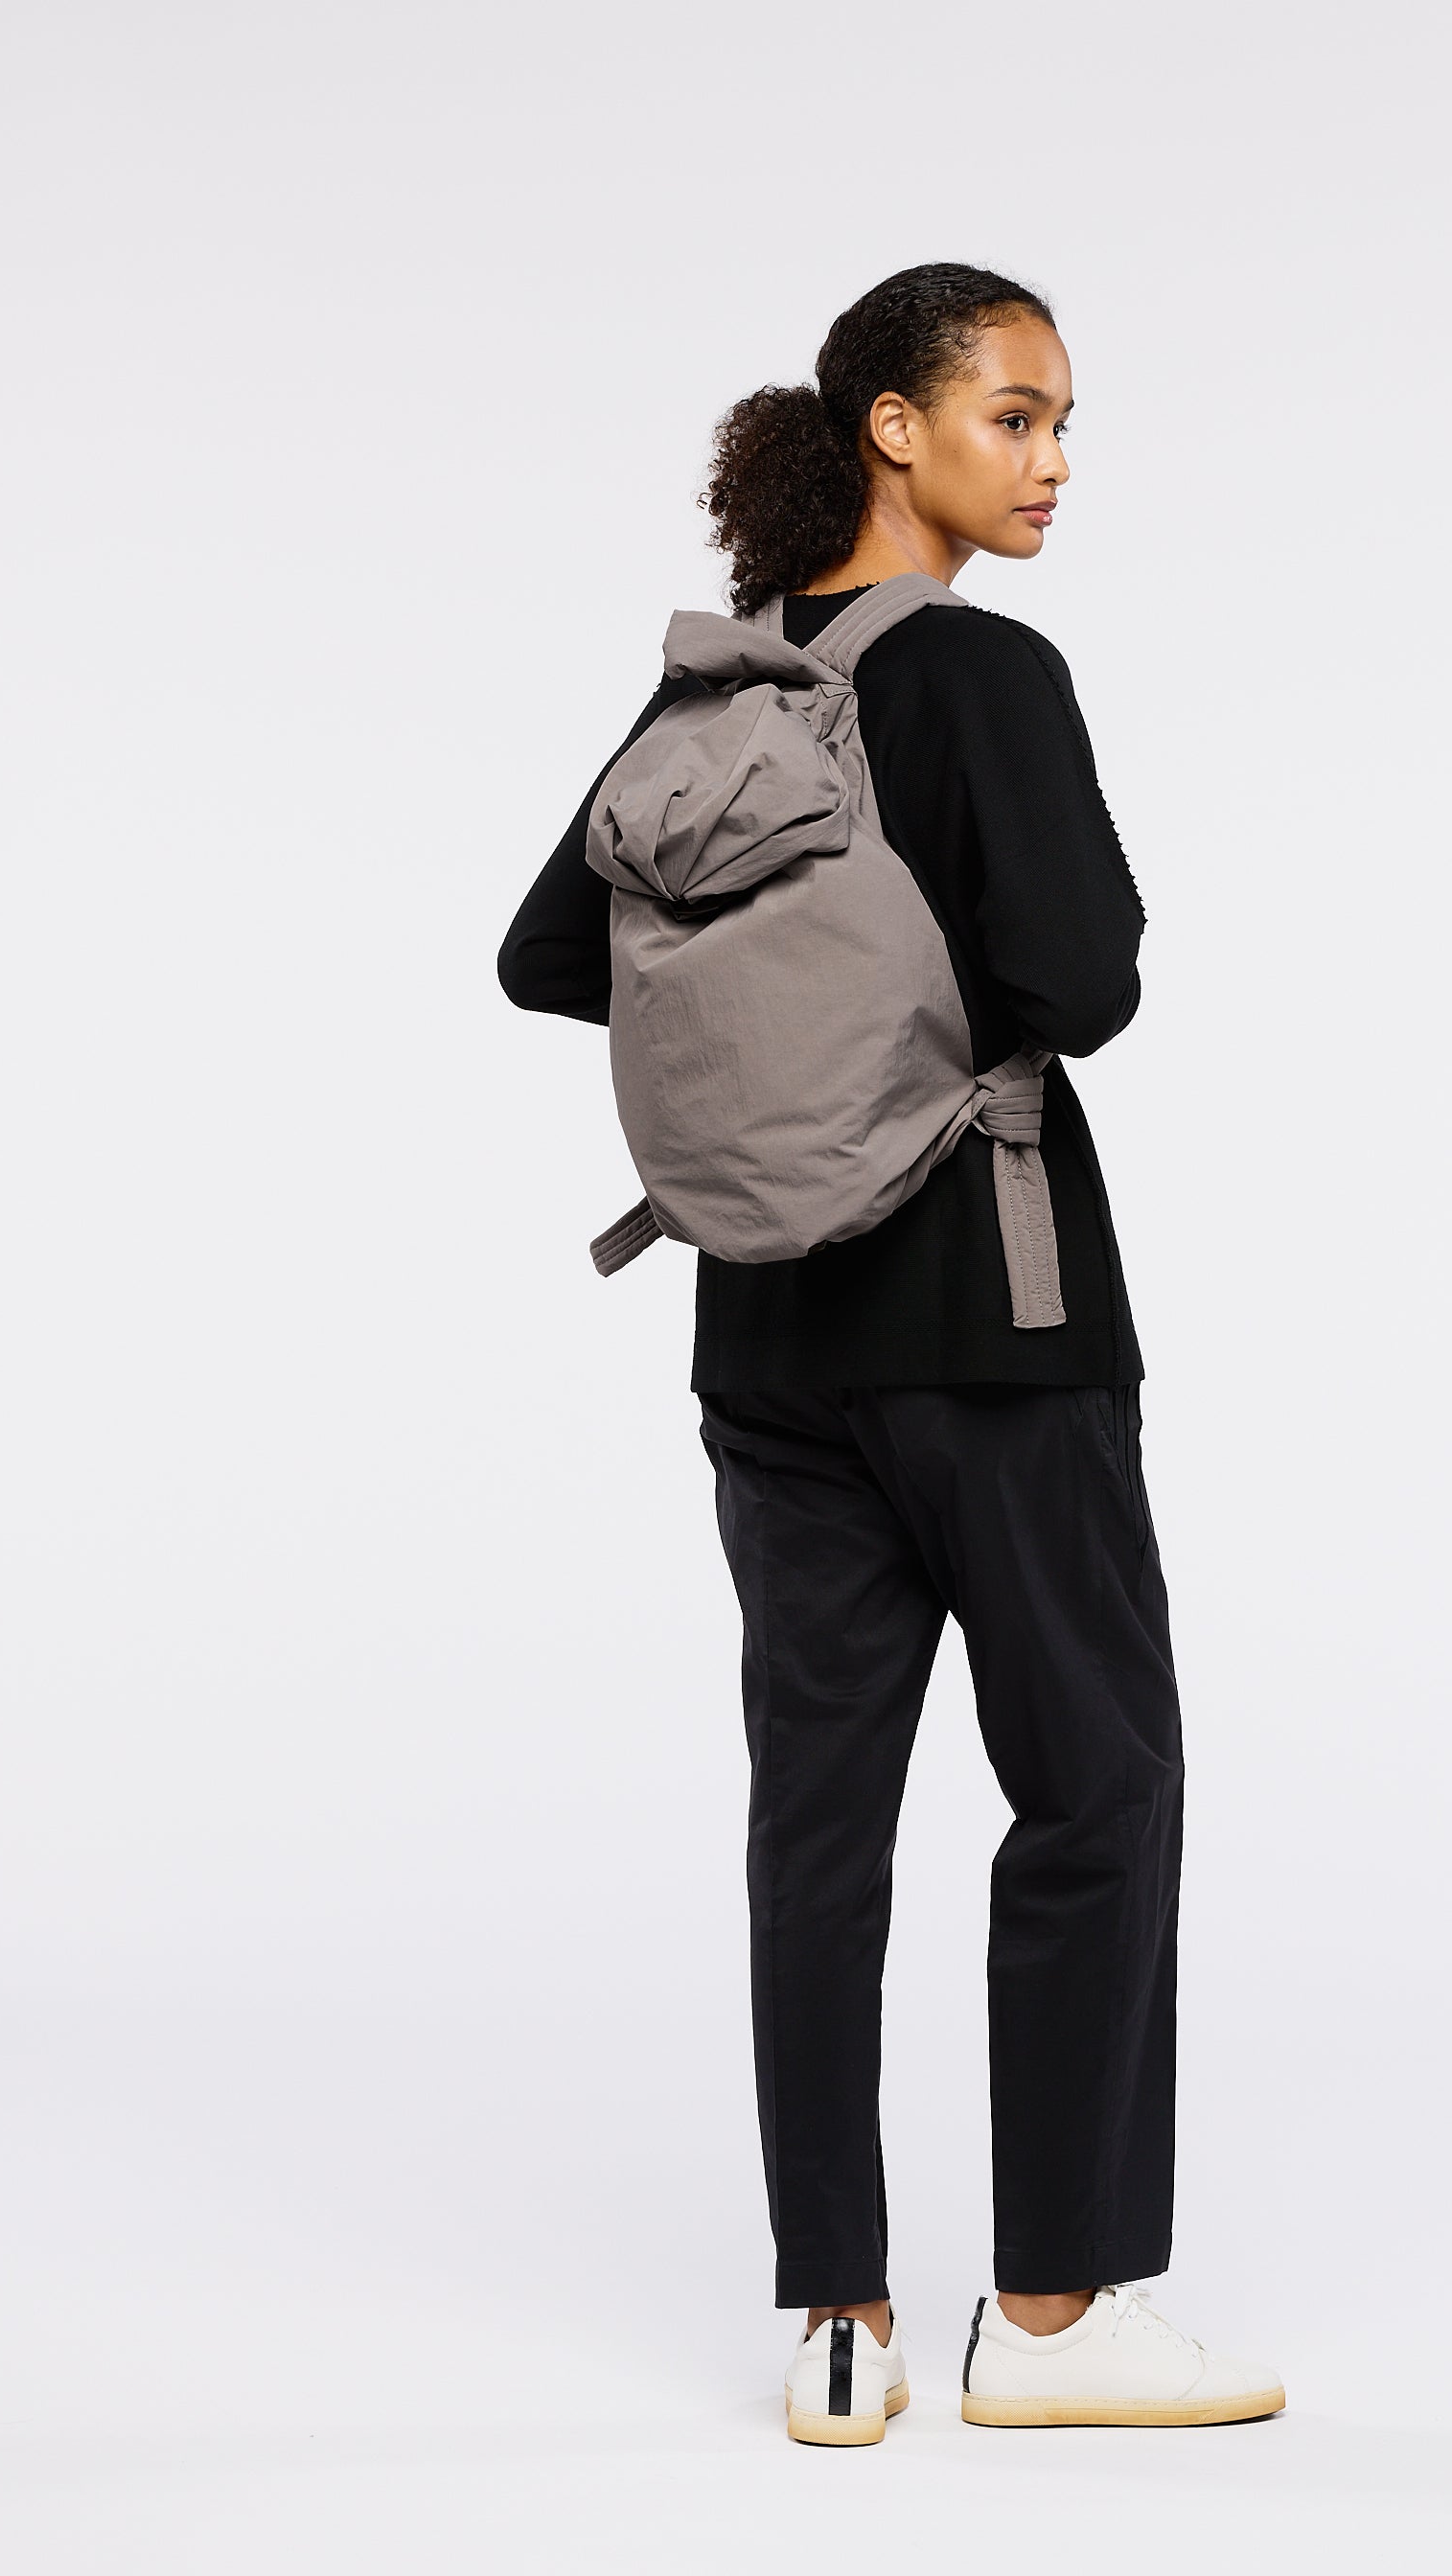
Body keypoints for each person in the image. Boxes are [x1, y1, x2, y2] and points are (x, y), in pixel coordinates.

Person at [498, 264, 1283, 2444]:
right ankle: (1056, 2318)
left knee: (819, 1821)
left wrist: (781, 1016)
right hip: (998, 1325)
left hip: (764, 1337)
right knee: (1097, 1786)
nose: (1053, 461)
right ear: (894, 429)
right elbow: (1084, 981)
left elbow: (552, 951)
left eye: (1062, 423)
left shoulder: (716, 688)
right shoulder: (983, 674)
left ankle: (835, 2323)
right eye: (1016, 415)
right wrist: (917, 1015)